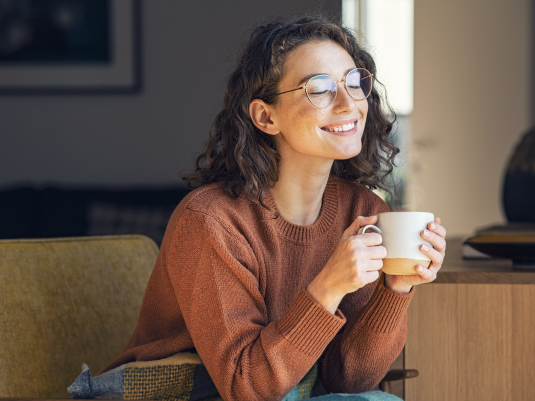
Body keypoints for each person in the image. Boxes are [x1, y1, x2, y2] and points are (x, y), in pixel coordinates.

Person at [98, 15, 447, 401]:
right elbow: (244, 387)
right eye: (320, 89)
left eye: (354, 82)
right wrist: (328, 287)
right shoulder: (211, 221)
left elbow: (348, 382)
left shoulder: (363, 210)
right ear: (266, 116)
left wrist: (395, 288)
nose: (349, 103)